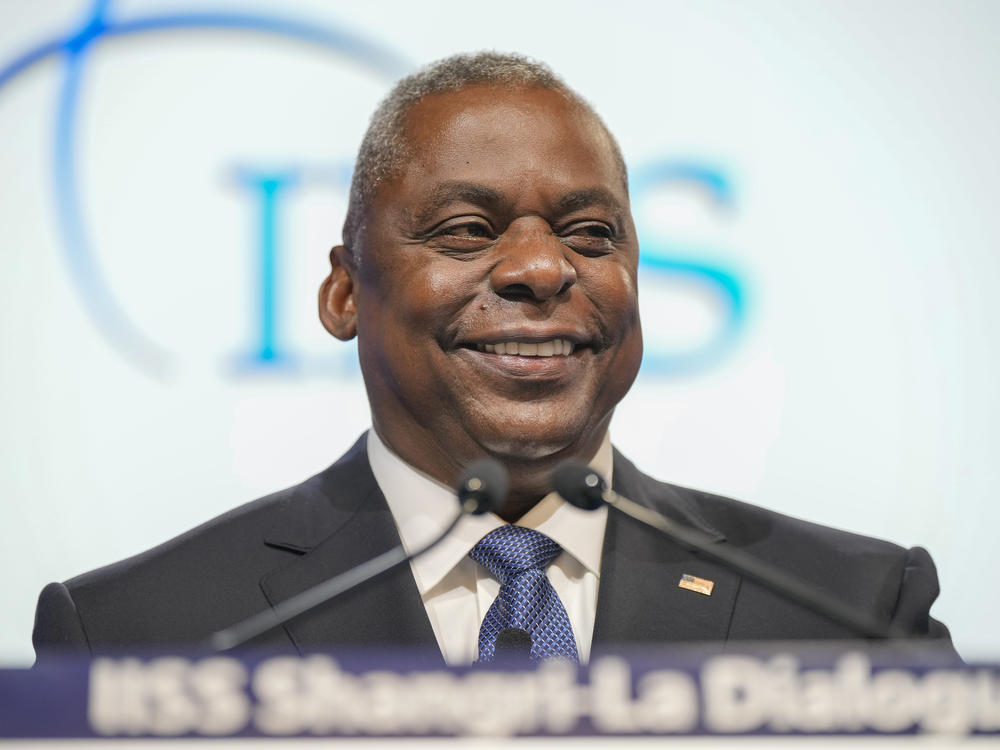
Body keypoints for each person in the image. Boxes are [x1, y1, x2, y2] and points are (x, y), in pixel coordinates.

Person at [32, 52, 953, 664]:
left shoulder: (853, 614)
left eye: (590, 234)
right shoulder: (140, 637)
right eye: (468, 231)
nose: (544, 268)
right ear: (345, 292)